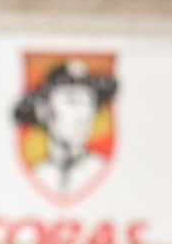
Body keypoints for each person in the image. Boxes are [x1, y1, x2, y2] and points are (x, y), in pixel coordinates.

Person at [13, 60, 117, 198]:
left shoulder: (97, 167)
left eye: (88, 103)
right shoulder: (40, 172)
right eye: (71, 102)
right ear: (44, 110)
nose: (81, 115)